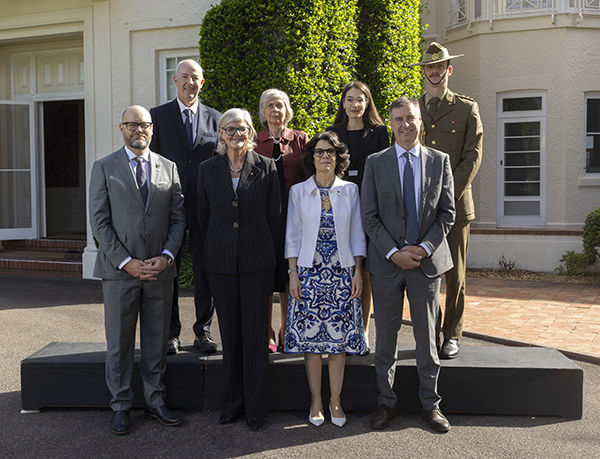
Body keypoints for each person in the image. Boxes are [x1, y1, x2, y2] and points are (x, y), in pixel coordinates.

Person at [89, 105, 186, 435]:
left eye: (144, 125)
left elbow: (178, 219)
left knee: (157, 342)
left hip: (159, 271)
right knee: (119, 344)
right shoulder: (103, 168)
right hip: (120, 273)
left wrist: (167, 256)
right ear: (121, 128)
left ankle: (155, 401)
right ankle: (120, 405)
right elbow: (100, 223)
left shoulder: (168, 168)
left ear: (152, 129)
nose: (138, 130)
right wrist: (127, 262)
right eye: (132, 125)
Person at [361, 97, 455, 433]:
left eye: (410, 118)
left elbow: (447, 213)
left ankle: (431, 406)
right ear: (391, 123)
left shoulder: (439, 161)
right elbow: (369, 216)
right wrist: (393, 252)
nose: (405, 125)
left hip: (426, 265)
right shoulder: (375, 163)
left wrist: (424, 248)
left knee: (427, 339)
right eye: (398, 119)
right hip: (387, 265)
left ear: (420, 121)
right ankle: (386, 404)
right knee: (385, 339)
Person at [196, 108, 281, 431]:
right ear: (220, 133)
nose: (236, 135)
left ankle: (256, 409)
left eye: (243, 129)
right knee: (229, 335)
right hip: (220, 264)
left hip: (257, 262)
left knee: (256, 336)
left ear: (251, 134)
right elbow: (203, 218)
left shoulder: (267, 168)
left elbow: (275, 217)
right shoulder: (208, 169)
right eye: (230, 129)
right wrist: (213, 254)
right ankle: (232, 405)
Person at [285, 131, 367, 428]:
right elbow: (292, 236)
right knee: (312, 342)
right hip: (308, 273)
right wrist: (293, 274)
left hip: (342, 273)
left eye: (330, 152)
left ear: (338, 157)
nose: (324, 157)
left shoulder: (351, 191)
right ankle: (316, 401)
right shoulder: (298, 192)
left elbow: (358, 234)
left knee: (338, 342)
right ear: (311, 157)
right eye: (319, 152)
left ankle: (335, 400)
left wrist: (358, 271)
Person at [408, 43, 483, 359]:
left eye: (440, 67)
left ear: (448, 70)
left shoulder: (467, 108)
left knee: (455, 275)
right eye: (429, 67)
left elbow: (472, 157)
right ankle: (428, 333)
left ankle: (451, 333)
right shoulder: (411, 110)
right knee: (424, 275)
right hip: (419, 210)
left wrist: (446, 196)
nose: (435, 72)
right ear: (423, 72)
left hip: (455, 208)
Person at [149, 59, 221, 355]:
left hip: (205, 205)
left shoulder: (216, 118)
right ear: (175, 81)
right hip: (170, 205)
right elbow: (152, 162)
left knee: (206, 270)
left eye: (196, 78)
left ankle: (202, 331)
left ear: (202, 83)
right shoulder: (158, 116)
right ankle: (170, 333)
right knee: (169, 270)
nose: (190, 82)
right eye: (185, 77)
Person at [326, 81, 389, 350]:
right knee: (342, 269)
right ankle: (340, 328)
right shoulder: (332, 132)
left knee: (364, 271)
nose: (354, 105)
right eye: (349, 99)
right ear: (343, 103)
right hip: (341, 207)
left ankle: (361, 330)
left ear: (367, 102)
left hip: (370, 207)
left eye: (359, 99)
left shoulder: (379, 132)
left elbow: (383, 171)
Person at [254, 88, 309, 353]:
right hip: (263, 218)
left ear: (287, 111)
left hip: (294, 217)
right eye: (270, 106)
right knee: (266, 273)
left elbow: (310, 176)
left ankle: (288, 327)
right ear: (263, 112)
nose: (276, 110)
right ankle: (265, 329)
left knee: (290, 273)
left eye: (280, 106)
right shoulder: (254, 141)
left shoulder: (300, 139)